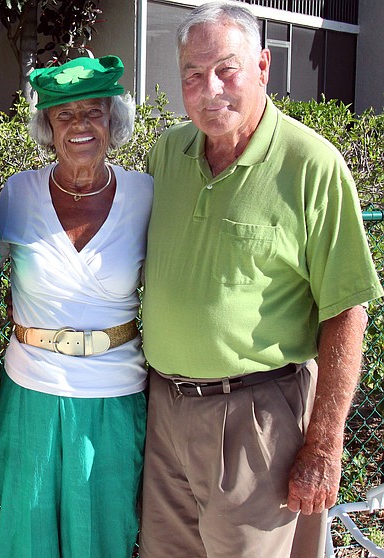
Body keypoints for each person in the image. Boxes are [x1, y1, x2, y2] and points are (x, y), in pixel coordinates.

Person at [140, 2, 383, 557]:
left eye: (227, 69)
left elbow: (346, 310)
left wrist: (324, 443)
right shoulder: (168, 154)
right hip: (165, 413)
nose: (210, 89)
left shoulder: (311, 165)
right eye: (193, 76)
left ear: (264, 66)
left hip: (256, 421)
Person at [0, 56, 152, 557]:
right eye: (64, 114)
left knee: (105, 539)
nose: (80, 125)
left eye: (94, 112)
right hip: (33, 390)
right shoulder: (17, 193)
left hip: (116, 393)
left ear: (113, 120)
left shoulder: (146, 194)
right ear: (47, 126)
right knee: (28, 538)